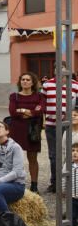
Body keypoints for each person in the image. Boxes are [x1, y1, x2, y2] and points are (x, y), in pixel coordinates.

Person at [42, 63, 78, 193]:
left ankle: (69, 183)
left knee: (70, 153)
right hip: (51, 125)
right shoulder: (47, 85)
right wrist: (47, 118)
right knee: (53, 155)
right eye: (57, 70)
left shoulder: (75, 85)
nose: (60, 73)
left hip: (69, 126)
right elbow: (43, 104)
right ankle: (55, 182)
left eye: (63, 70)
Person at [8, 72, 45, 193]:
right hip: (16, 129)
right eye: (23, 79)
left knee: (32, 158)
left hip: (32, 130)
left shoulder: (39, 96)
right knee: (14, 158)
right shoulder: (14, 96)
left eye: (28, 80)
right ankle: (13, 182)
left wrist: (23, 111)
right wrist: (30, 112)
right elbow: (13, 112)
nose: (25, 81)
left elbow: (39, 112)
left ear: (33, 82)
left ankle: (34, 185)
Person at [67, 143, 78, 226]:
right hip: (73, 196)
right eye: (73, 150)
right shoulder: (68, 166)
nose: (75, 153)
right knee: (72, 214)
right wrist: (64, 190)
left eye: (77, 151)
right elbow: (64, 180)